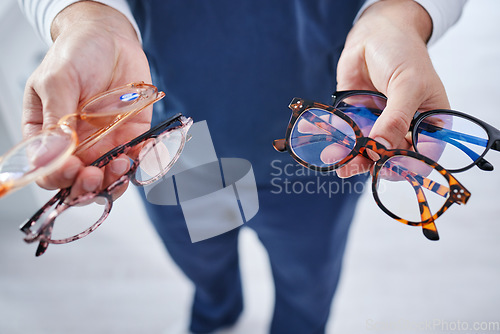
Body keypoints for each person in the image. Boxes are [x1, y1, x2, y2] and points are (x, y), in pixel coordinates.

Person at [18, 0, 467, 333]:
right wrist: (86, 15)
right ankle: (218, 311)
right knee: (203, 262)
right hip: (179, 140)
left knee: (307, 280)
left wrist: (400, 15)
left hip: (325, 139)